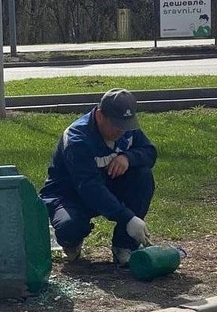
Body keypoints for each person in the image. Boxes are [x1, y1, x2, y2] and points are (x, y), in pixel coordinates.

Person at [39, 88, 157, 267]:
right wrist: (127, 218)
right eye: (117, 125)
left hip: (107, 184)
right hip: (69, 194)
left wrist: (128, 158)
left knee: (143, 176)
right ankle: (71, 242)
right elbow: (89, 186)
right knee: (70, 226)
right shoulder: (77, 139)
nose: (122, 132)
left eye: (126, 125)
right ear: (100, 115)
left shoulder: (127, 129)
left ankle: (124, 246)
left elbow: (149, 152)